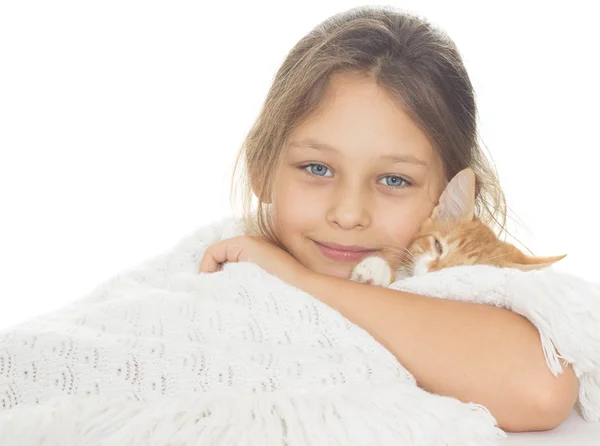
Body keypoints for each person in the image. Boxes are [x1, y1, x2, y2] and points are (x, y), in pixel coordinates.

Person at [198, 5, 578, 432]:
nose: (348, 214)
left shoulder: (471, 293)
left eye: (394, 179)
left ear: (445, 201)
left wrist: (301, 280)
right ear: (261, 170)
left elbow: (540, 388)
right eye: (317, 169)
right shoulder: (209, 275)